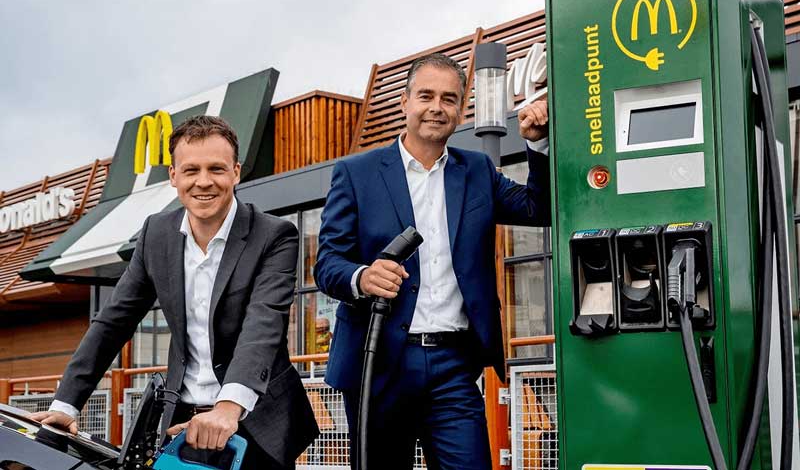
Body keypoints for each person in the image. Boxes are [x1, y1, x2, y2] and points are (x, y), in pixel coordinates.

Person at [30, 115, 319, 469]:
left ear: (236, 173)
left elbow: (263, 324)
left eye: (216, 169)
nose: (203, 181)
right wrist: (66, 404)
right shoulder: (156, 234)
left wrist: (227, 408)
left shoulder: (274, 235)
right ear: (173, 176)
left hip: (256, 422)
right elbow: (113, 322)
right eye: (191, 170)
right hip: (182, 423)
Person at [313, 53, 550, 470]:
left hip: (453, 365)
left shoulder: (477, 170)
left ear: (461, 109)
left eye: (448, 98)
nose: (437, 107)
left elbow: (539, 208)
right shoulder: (356, 173)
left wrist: (537, 143)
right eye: (426, 96)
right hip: (378, 362)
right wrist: (363, 277)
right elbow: (328, 263)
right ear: (405, 102)